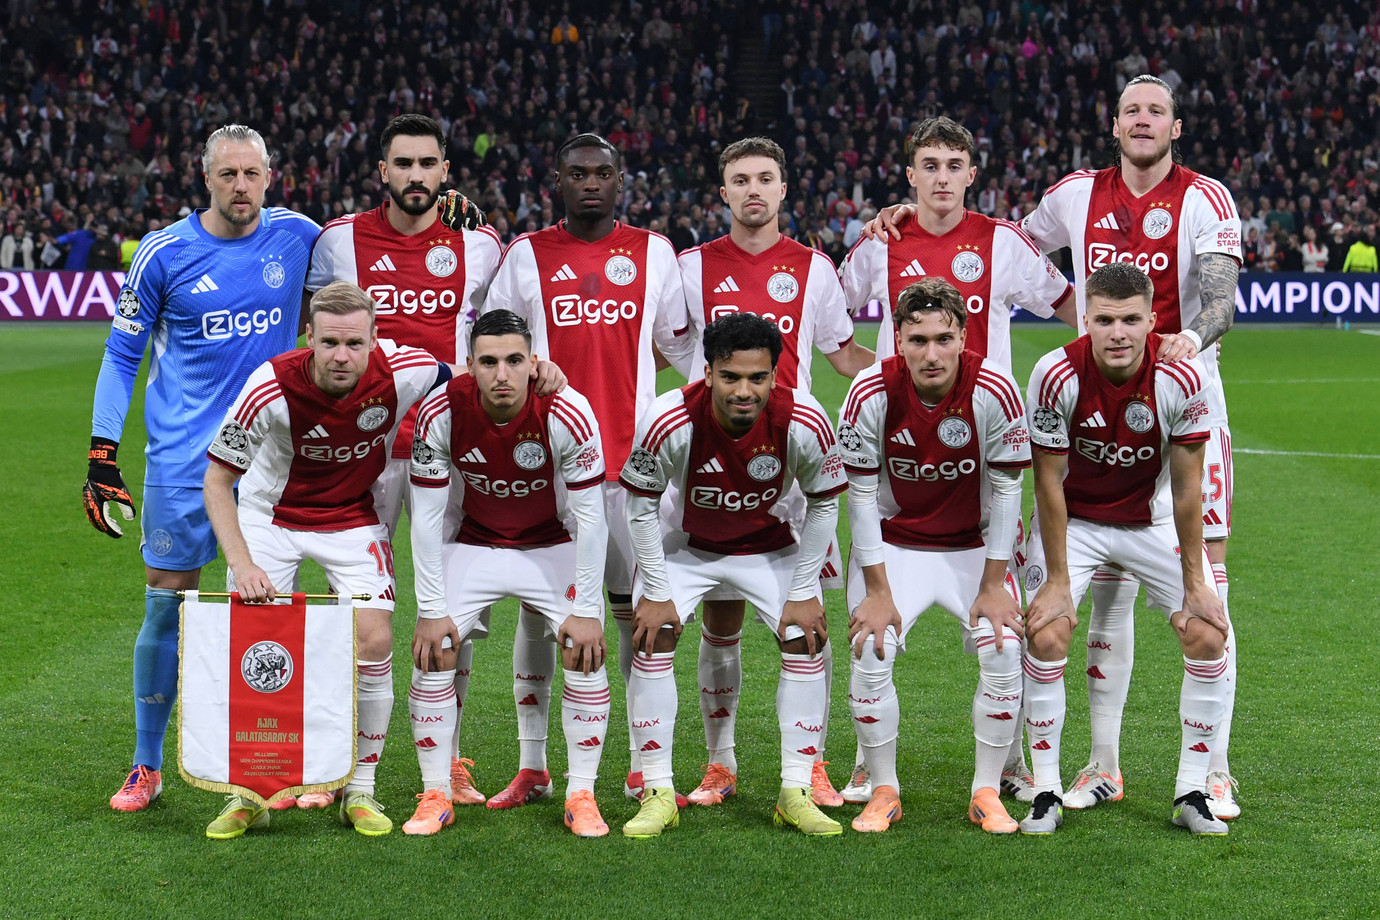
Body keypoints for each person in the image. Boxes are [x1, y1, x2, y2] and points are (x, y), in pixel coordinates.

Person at [871, 80, 1244, 818]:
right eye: (1132, 110)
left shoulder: (1206, 197)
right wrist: (915, 218)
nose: (1143, 120)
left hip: (1183, 406)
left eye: (1157, 111)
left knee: (1210, 592)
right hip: (1088, 409)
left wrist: (1188, 341)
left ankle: (1215, 771)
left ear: (1175, 126)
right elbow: (994, 245)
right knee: (1097, 597)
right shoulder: (1073, 195)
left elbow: (1221, 297)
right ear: (1114, 125)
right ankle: (1101, 766)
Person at [85, 124, 323, 814]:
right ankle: (147, 765)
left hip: (271, 462)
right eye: (228, 174)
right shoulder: (164, 252)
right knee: (167, 601)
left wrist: (447, 215)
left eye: (252, 174)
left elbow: (373, 246)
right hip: (184, 462)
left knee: (270, 607)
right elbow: (121, 356)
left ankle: (278, 765)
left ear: (270, 176)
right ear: (206, 177)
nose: (241, 187)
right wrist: (102, 452)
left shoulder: (299, 236)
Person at [842, 115, 1075, 806]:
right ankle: (867, 761)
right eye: (929, 165)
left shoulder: (1003, 242)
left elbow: (1071, 307)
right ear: (909, 175)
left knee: (1010, 628)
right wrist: (880, 379)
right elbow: (828, 325)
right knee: (869, 634)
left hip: (988, 463)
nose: (941, 178)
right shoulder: (879, 243)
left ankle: (1012, 761)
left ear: (972, 174)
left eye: (953, 165)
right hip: (901, 460)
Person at [483, 133, 696, 809]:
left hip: (632, 470)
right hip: (550, 468)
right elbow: (492, 341)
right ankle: (533, 766)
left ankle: (641, 765)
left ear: (621, 180)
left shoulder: (654, 252)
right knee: (539, 613)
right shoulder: (526, 255)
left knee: (638, 616)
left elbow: (680, 349)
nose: (592, 183)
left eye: (603, 172)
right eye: (578, 173)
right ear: (558, 182)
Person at [305, 113, 507, 809]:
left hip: (448, 451)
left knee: (454, 609)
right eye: (403, 163)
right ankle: (334, 764)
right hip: (362, 453)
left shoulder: (481, 244)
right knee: (353, 610)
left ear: (446, 171)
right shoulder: (338, 241)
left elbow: (500, 334)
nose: (416, 175)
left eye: (428, 164)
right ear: (382, 172)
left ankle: (449, 757)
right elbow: (309, 334)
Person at [200, 280, 448, 838]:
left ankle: (359, 789)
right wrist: (243, 564)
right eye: (330, 342)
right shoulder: (268, 387)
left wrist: (540, 372)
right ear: (309, 337)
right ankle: (250, 792)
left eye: (355, 344)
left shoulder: (406, 369)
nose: (342, 356)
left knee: (374, 639)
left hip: (352, 516)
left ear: (375, 340)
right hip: (271, 517)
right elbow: (217, 482)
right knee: (256, 642)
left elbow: (466, 380)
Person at [676, 136, 874, 808]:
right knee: (720, 618)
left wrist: (909, 373)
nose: (753, 190)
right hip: (714, 462)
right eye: (740, 180)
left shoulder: (814, 268)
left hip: (793, 469)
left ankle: (810, 764)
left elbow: (842, 354)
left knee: (806, 624)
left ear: (783, 189)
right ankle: (720, 764)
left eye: (765, 178)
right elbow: (671, 347)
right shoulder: (690, 267)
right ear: (723, 192)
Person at [1019, 261, 1231, 836]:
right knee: (1047, 630)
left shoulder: (1181, 376)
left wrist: (1196, 583)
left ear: (1152, 321)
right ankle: (1045, 791)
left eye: (1130, 320)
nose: (1117, 333)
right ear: (1086, 320)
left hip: (1149, 520)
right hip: (1076, 522)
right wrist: (1057, 581)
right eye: (1105, 320)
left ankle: (1192, 790)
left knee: (1208, 631)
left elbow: (1187, 489)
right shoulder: (1054, 372)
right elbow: (1048, 483)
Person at [618, 312, 847, 838]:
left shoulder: (805, 419)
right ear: (707, 373)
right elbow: (640, 508)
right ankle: (658, 792)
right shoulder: (669, 417)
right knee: (653, 636)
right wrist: (656, 592)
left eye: (758, 378)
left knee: (804, 637)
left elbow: (824, 504)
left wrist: (804, 590)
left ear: (775, 375)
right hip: (688, 545)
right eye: (730, 377)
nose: (744, 391)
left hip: (769, 545)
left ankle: (796, 791)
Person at [408, 310, 611, 837]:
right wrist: (430, 610)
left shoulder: (567, 409)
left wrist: (587, 610)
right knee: (435, 649)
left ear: (533, 362)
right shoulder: (440, 409)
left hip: (552, 542)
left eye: (515, 361)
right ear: (469, 364)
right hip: (476, 541)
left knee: (584, 650)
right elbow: (426, 518)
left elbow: (592, 518)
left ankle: (580, 793)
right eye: (489, 362)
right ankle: (436, 793)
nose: (502, 374)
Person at [837, 278, 1030, 835]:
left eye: (944, 339)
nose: (931, 354)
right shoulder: (869, 390)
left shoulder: (995, 387)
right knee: (870, 647)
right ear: (897, 339)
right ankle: (883, 788)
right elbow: (861, 498)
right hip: (895, 546)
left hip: (974, 546)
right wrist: (877, 593)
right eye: (917, 340)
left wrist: (994, 586)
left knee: (1003, 646)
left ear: (964, 337)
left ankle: (987, 789)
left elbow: (1007, 492)